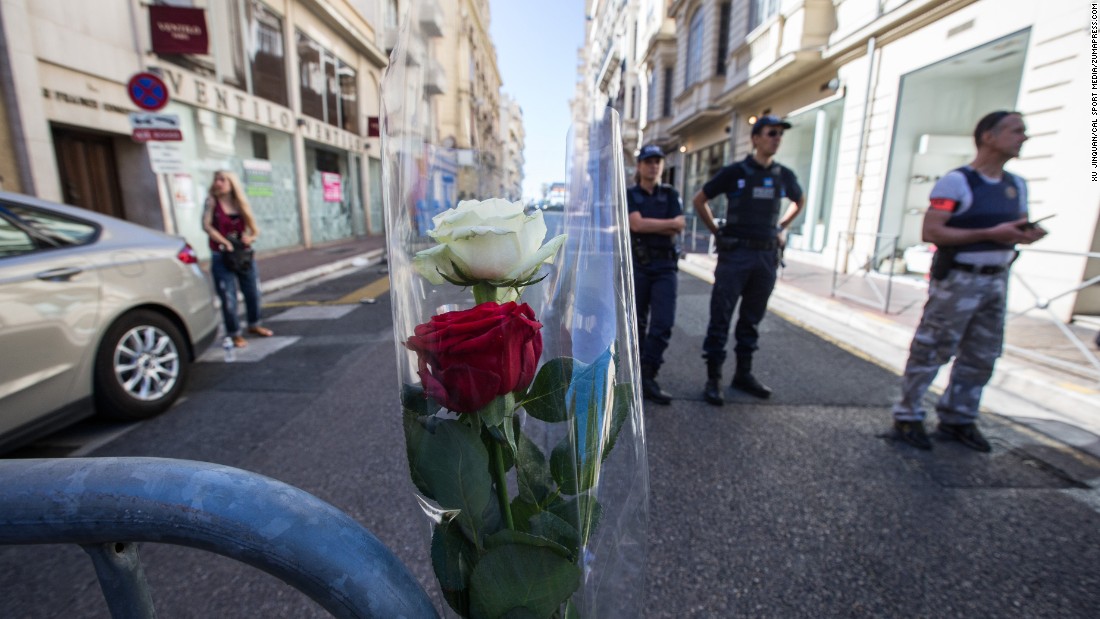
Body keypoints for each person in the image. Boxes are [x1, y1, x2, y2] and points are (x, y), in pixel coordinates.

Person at [892, 111, 1047, 452]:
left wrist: (1026, 233)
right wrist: (990, 233)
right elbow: (932, 231)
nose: (1024, 137)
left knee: (982, 354)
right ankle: (907, 414)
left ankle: (959, 418)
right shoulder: (956, 182)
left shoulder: (1016, 185)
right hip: (959, 281)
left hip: (996, 281)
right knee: (933, 348)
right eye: (1016, 131)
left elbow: (1017, 225)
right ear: (989, 137)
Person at [692, 115, 804, 405]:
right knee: (721, 317)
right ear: (756, 138)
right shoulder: (735, 172)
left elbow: (799, 201)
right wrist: (717, 232)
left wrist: (781, 227)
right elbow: (699, 200)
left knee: (751, 320)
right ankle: (713, 379)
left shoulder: (783, 175)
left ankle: (743, 374)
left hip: (766, 256)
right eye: (771, 133)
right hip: (736, 255)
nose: (776, 138)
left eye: (780, 134)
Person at [628, 144, 685, 405]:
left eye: (658, 161)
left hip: (665, 266)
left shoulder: (670, 193)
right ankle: (634, 375)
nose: (654, 166)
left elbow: (680, 225)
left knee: (663, 323)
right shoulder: (630, 194)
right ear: (640, 166)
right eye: (649, 161)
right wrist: (667, 225)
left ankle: (649, 374)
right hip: (638, 265)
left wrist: (653, 227)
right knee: (636, 324)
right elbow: (635, 224)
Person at [203, 170, 274, 348]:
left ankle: (254, 324)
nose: (218, 183)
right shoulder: (212, 202)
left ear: (231, 183)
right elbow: (206, 226)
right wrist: (225, 242)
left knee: (253, 292)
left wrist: (250, 238)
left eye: (222, 179)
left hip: (243, 255)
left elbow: (255, 230)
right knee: (228, 297)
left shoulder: (240, 204)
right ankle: (234, 333)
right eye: (216, 179)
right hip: (222, 255)